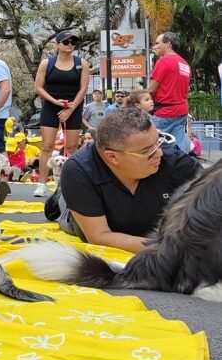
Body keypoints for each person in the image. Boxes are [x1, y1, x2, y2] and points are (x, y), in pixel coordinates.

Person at [58, 108, 201, 252]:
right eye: (147, 151)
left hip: (148, 229)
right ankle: (60, 195)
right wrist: (170, 250)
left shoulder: (177, 163)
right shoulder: (80, 170)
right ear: (112, 157)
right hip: (85, 215)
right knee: (62, 207)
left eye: (158, 142)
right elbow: (99, 236)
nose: (159, 153)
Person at [33, 30, 90, 196]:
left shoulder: (82, 63)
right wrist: (55, 102)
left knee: (72, 147)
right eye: (66, 42)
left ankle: (71, 183)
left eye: (73, 42)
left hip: (74, 106)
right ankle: (42, 184)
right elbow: (38, 87)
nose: (70, 44)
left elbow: (84, 88)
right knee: (47, 146)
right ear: (57, 44)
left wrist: (71, 109)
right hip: (52, 105)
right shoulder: (47, 63)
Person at [149, 32, 191, 153]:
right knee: (178, 149)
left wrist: (136, 99)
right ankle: (181, 170)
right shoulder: (185, 64)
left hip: (164, 113)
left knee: (152, 147)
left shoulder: (164, 61)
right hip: (181, 111)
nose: (154, 46)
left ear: (168, 44)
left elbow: (151, 90)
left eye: (157, 43)